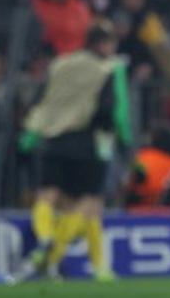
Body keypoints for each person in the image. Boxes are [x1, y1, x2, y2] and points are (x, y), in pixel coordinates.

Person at [17, 20, 133, 281]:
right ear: (104, 44)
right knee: (89, 203)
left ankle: (47, 239)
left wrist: (29, 138)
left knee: (48, 195)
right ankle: (54, 253)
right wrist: (126, 144)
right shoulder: (111, 68)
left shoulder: (60, 64)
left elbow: (41, 101)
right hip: (91, 141)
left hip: (54, 139)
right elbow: (118, 110)